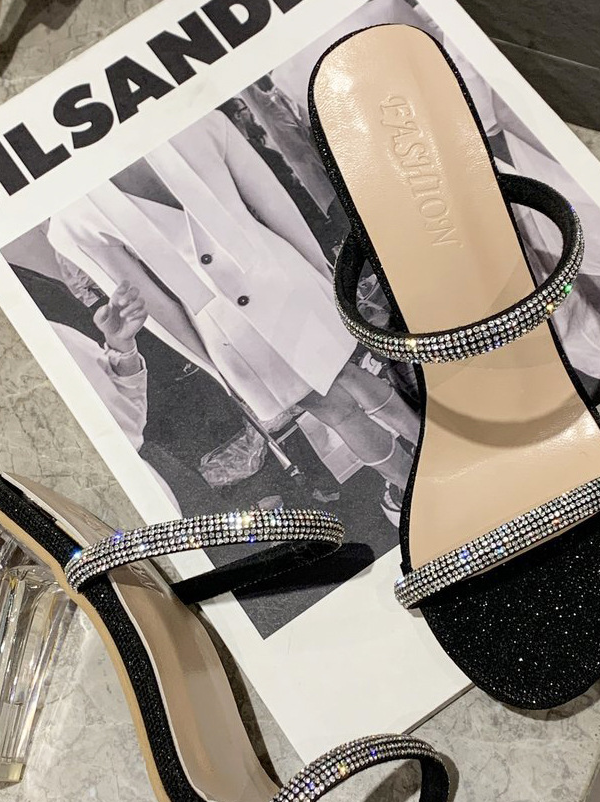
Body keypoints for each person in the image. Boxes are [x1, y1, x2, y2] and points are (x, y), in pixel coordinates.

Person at [48, 110, 418, 522]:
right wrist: (215, 365)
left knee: (347, 388)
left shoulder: (191, 121)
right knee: (342, 397)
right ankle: (415, 480)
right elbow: (153, 305)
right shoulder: (71, 218)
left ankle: (420, 470)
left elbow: (274, 205)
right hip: (236, 323)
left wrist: (325, 279)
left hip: (271, 290)